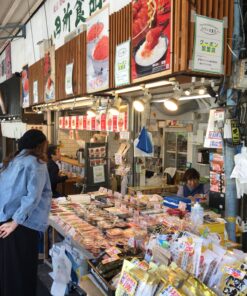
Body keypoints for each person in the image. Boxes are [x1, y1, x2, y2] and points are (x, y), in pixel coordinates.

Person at [0, 129, 52, 296]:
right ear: (39, 145)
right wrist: (15, 222)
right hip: (21, 224)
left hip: (5, 221)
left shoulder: (12, 160)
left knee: (8, 269)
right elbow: (32, 197)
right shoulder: (36, 163)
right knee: (22, 269)